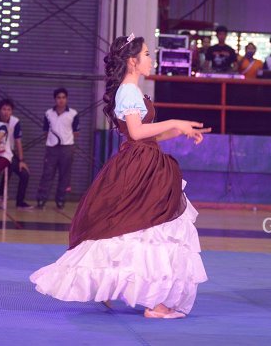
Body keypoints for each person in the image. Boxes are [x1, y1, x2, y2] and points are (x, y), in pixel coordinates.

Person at [31, 34, 209, 319]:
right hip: (141, 165)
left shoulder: (132, 92)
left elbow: (145, 134)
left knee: (140, 229)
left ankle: (141, 295)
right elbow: (137, 133)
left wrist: (179, 130)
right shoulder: (128, 91)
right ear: (132, 61)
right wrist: (175, 121)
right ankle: (155, 303)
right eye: (147, 54)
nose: (151, 59)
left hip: (146, 162)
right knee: (149, 228)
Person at [37, 88, 79, 210]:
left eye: (63, 97)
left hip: (67, 148)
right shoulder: (48, 113)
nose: (61, 100)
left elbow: (76, 132)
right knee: (47, 174)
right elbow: (45, 131)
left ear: (67, 99)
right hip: (52, 149)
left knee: (64, 176)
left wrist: (67, 140)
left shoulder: (73, 114)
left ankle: (60, 200)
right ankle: (41, 200)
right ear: (55, 99)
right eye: (59, 98)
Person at [0, 99, 33, 210]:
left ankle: (20, 202)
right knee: (9, 165)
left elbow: (18, 142)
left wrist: (21, 160)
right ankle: (1, 193)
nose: (6, 112)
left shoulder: (15, 122)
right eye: (4, 109)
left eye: (9, 110)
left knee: (24, 174)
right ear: (0, 110)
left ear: (12, 111)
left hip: (10, 153)